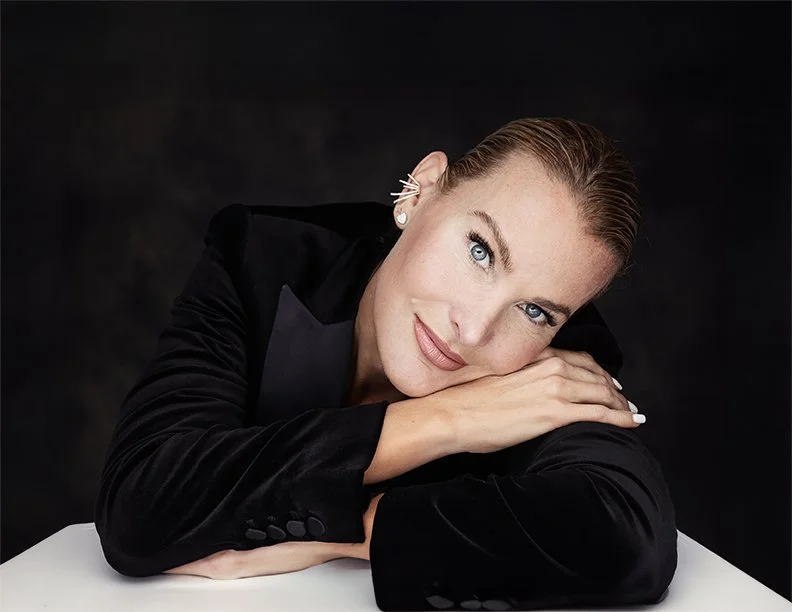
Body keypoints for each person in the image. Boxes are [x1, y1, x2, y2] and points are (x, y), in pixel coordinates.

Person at [94, 117, 677, 610]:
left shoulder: (555, 362)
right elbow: (140, 505)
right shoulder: (262, 263)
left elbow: (630, 538)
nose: (473, 330)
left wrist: (351, 538)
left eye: (533, 310)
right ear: (421, 191)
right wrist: (446, 421)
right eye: (480, 251)